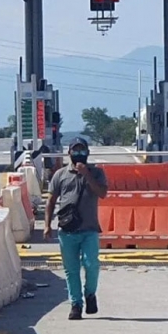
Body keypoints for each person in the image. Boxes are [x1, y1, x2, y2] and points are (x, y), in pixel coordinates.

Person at [44, 137, 108, 320]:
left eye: (82, 151)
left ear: (87, 153)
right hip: (67, 230)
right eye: (75, 151)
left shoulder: (96, 173)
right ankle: (76, 304)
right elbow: (51, 201)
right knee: (71, 270)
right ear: (69, 153)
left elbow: (102, 193)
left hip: (89, 229)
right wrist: (47, 225)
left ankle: (90, 294)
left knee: (91, 264)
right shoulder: (60, 175)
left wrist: (86, 174)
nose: (79, 154)